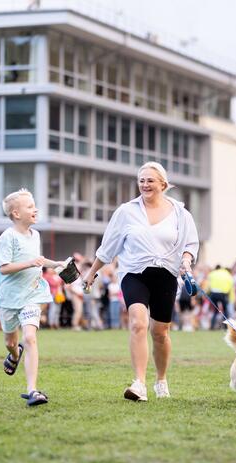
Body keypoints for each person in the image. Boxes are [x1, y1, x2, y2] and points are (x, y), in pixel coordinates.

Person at [80, 162, 199, 402]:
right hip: (134, 273)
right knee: (138, 323)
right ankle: (139, 384)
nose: (145, 185)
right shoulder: (126, 211)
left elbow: (190, 245)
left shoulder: (180, 213)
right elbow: (109, 246)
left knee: (160, 333)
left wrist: (186, 260)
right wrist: (92, 272)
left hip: (166, 274)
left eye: (150, 181)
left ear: (163, 184)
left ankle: (161, 380)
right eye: (141, 180)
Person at [0, 188, 66, 407]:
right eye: (30, 206)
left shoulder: (36, 235)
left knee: (30, 337)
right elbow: (4, 268)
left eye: (34, 205)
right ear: (16, 214)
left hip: (32, 295)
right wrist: (30, 263)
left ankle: (32, 390)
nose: (35, 209)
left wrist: (58, 264)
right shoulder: (8, 237)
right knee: (10, 342)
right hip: (9, 298)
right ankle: (14, 356)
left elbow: (39, 260)